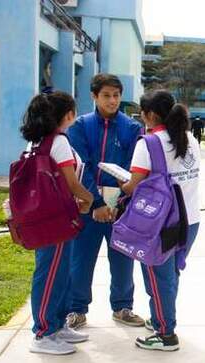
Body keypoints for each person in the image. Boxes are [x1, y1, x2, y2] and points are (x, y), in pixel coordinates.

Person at [120, 90, 201, 351]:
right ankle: (162, 319)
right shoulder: (190, 139)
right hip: (190, 220)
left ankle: (166, 334)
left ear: (150, 115)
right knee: (170, 275)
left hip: (162, 225)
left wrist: (122, 183)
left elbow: (134, 186)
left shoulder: (149, 143)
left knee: (158, 277)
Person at [66, 74, 145, 329]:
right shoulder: (80, 126)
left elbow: (135, 168)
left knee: (123, 258)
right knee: (81, 258)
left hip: (120, 208)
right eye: (106, 95)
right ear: (94, 96)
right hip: (87, 206)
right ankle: (76, 309)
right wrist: (96, 202)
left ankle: (122, 306)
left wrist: (118, 202)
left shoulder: (132, 129)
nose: (112, 101)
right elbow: (81, 167)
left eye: (116, 95)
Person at [20, 92, 94, 354]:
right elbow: (71, 183)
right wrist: (91, 200)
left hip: (48, 215)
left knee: (59, 272)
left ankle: (57, 324)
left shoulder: (38, 141)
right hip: (57, 217)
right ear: (68, 115)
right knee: (50, 273)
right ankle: (43, 334)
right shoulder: (59, 141)